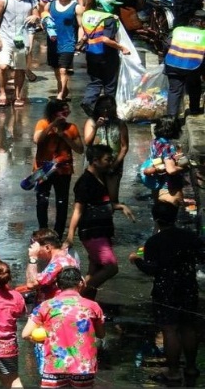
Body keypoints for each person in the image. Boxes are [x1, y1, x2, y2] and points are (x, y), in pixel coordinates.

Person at [129, 201, 205, 385]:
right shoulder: (190, 237)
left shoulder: (154, 241)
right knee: (188, 326)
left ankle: (172, 372)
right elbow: (202, 257)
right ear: (175, 216)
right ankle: (191, 367)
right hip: (188, 286)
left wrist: (136, 260)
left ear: (156, 219)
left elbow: (151, 269)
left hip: (165, 288)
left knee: (169, 328)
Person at [65, 144, 136, 300]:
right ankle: (74, 297)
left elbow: (99, 204)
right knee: (111, 267)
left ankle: (87, 305)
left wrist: (120, 206)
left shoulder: (101, 178)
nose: (110, 163)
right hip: (92, 232)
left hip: (102, 231)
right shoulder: (85, 182)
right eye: (107, 160)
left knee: (95, 270)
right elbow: (78, 210)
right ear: (95, 161)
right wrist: (70, 236)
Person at [21, 268, 105, 388]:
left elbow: (25, 334)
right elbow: (101, 334)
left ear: (57, 285)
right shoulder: (92, 306)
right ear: (81, 283)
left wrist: (42, 340)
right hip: (83, 366)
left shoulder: (45, 306)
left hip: (55, 364)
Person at [33, 100, 84, 237]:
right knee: (42, 200)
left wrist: (64, 136)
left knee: (62, 201)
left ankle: (58, 233)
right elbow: (37, 140)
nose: (66, 114)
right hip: (43, 169)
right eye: (63, 111)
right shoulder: (42, 123)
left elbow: (79, 149)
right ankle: (42, 230)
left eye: (68, 111)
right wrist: (52, 126)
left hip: (63, 170)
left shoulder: (71, 127)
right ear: (54, 112)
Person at [0, 0, 39, 108]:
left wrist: (35, 17)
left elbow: (37, 16)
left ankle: (18, 95)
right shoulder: (4, 0)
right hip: (5, 37)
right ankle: (2, 92)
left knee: (19, 68)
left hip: (22, 39)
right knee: (3, 65)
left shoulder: (32, 0)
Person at [79, 0, 131, 116]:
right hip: (106, 55)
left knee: (95, 81)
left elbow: (86, 33)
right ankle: (108, 111)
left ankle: (88, 101)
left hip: (91, 53)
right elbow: (106, 39)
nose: (114, 7)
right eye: (112, 5)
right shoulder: (109, 19)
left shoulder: (87, 14)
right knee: (109, 84)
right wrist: (122, 48)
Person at [82, 96, 128, 204]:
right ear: (97, 108)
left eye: (109, 108)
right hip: (96, 163)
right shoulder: (91, 121)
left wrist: (115, 165)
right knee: (93, 195)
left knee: (112, 199)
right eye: (102, 108)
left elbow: (124, 147)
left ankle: (108, 218)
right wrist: (96, 127)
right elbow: (87, 142)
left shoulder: (120, 124)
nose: (105, 111)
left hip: (113, 163)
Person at [45, 0, 82, 101]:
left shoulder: (76, 7)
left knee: (63, 69)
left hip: (68, 43)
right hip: (53, 43)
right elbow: (44, 19)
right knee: (56, 69)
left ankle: (60, 95)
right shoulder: (50, 5)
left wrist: (80, 41)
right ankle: (63, 89)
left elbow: (81, 26)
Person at [164, 10, 205, 117]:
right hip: (192, 66)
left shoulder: (178, 30)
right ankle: (194, 109)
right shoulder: (203, 34)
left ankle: (171, 118)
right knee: (194, 84)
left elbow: (166, 44)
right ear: (202, 23)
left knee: (174, 91)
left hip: (172, 63)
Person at [147, 117, 187, 207]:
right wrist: (184, 167)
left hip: (157, 185)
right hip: (169, 188)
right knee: (171, 216)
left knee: (160, 215)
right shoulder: (168, 146)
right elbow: (171, 170)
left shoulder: (155, 142)